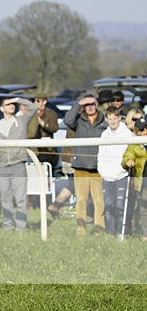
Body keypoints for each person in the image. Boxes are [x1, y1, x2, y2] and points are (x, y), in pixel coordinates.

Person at [63, 94, 107, 236]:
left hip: (97, 167)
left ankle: (99, 229)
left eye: (92, 104)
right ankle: (81, 229)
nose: (89, 107)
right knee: (81, 200)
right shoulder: (79, 120)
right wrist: (78, 103)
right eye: (86, 105)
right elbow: (67, 120)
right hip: (80, 166)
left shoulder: (103, 122)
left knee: (98, 200)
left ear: (96, 104)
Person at [0, 97, 38, 231]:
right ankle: (8, 226)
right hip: (3, 168)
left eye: (13, 104)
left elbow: (34, 108)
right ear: (2, 108)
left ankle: (20, 228)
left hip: (18, 165)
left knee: (21, 199)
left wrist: (18, 99)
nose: (12, 106)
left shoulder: (21, 121)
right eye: (8, 104)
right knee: (5, 199)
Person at [98, 106, 133, 235]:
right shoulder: (104, 134)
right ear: (106, 119)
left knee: (120, 205)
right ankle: (110, 233)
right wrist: (102, 170)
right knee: (108, 206)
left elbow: (130, 151)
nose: (112, 121)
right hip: (107, 176)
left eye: (114, 118)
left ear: (119, 118)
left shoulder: (126, 133)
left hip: (121, 175)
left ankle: (121, 232)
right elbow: (101, 154)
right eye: (110, 118)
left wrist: (123, 168)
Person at [122, 117, 147, 241]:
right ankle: (146, 233)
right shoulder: (134, 145)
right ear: (137, 132)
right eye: (142, 129)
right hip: (143, 181)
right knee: (143, 208)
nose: (145, 131)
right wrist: (128, 161)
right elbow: (126, 156)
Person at [28, 92, 60, 171]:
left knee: (46, 170)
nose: (35, 103)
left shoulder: (51, 113)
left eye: (38, 101)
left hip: (47, 147)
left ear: (44, 102)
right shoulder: (30, 113)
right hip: (33, 147)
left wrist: (44, 124)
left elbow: (55, 128)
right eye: (34, 101)